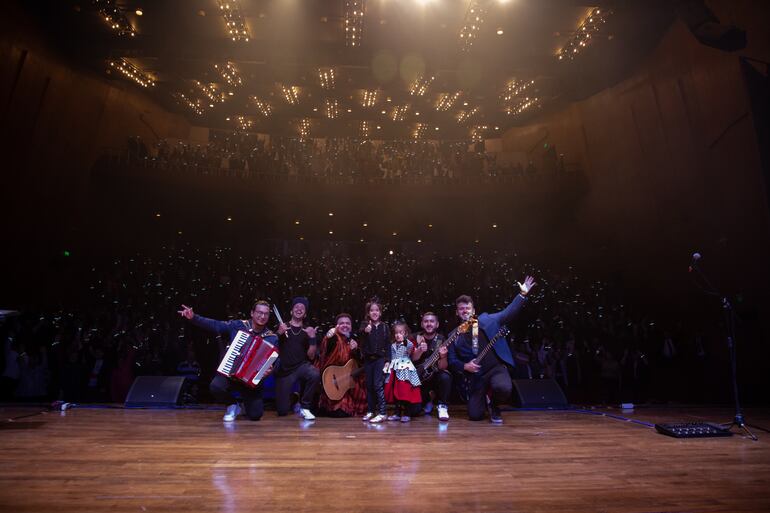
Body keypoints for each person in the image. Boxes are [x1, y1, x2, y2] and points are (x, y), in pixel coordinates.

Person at [447, 276, 537, 423]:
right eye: (461, 309)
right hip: (477, 376)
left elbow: (509, 312)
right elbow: (452, 360)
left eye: (467, 308)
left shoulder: (488, 319)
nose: (465, 311)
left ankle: (494, 405)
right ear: (457, 313)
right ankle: (484, 399)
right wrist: (465, 366)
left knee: (504, 388)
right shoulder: (453, 335)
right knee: (475, 416)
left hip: (496, 368)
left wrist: (522, 295)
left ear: (473, 310)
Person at [178, 300, 277, 422]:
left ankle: (245, 406)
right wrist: (194, 318)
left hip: (251, 382)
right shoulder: (239, 325)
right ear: (252, 313)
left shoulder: (272, 338)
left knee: (255, 415)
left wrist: (267, 371)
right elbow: (215, 325)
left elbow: (272, 363)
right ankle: (232, 405)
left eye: (266, 314)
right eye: (259, 312)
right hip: (231, 375)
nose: (262, 316)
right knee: (216, 386)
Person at [274, 297, 320, 420]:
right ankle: (294, 398)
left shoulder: (307, 330)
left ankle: (304, 406)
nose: (299, 309)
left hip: (301, 366)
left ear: (305, 314)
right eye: (296, 307)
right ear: (291, 311)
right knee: (282, 411)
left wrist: (312, 338)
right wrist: (279, 333)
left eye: (302, 308)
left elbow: (311, 356)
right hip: (285, 371)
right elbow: (271, 347)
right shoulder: (282, 327)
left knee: (314, 373)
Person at [315, 313, 367, 417]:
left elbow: (358, 363)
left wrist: (356, 351)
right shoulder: (333, 337)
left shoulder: (352, 341)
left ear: (351, 326)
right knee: (338, 411)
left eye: (347, 323)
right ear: (336, 326)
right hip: (330, 379)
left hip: (345, 381)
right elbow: (326, 348)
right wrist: (330, 336)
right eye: (341, 323)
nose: (345, 325)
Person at [411, 311, 451, 421]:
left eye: (432, 321)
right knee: (414, 412)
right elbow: (411, 359)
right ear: (422, 324)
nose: (429, 324)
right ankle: (428, 399)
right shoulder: (415, 337)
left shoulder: (441, 339)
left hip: (435, 376)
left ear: (437, 324)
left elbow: (443, 367)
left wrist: (443, 357)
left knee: (445, 377)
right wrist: (419, 351)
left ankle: (442, 405)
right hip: (420, 379)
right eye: (426, 321)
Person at [358, 298, 389, 423]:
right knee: (369, 386)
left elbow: (387, 345)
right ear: (368, 313)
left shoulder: (385, 327)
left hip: (380, 359)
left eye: (377, 310)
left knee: (377, 385)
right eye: (372, 310)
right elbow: (361, 340)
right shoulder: (364, 325)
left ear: (380, 312)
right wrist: (365, 332)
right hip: (368, 360)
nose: (374, 312)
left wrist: (387, 360)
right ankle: (371, 411)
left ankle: (382, 412)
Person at [384, 321, 422, 423]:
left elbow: (411, 350)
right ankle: (397, 413)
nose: (398, 335)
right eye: (396, 333)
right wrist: (388, 364)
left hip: (405, 370)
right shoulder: (392, 346)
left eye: (401, 332)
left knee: (405, 392)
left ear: (405, 334)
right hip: (395, 370)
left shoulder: (407, 343)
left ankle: (407, 413)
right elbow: (391, 357)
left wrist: (414, 341)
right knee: (396, 393)